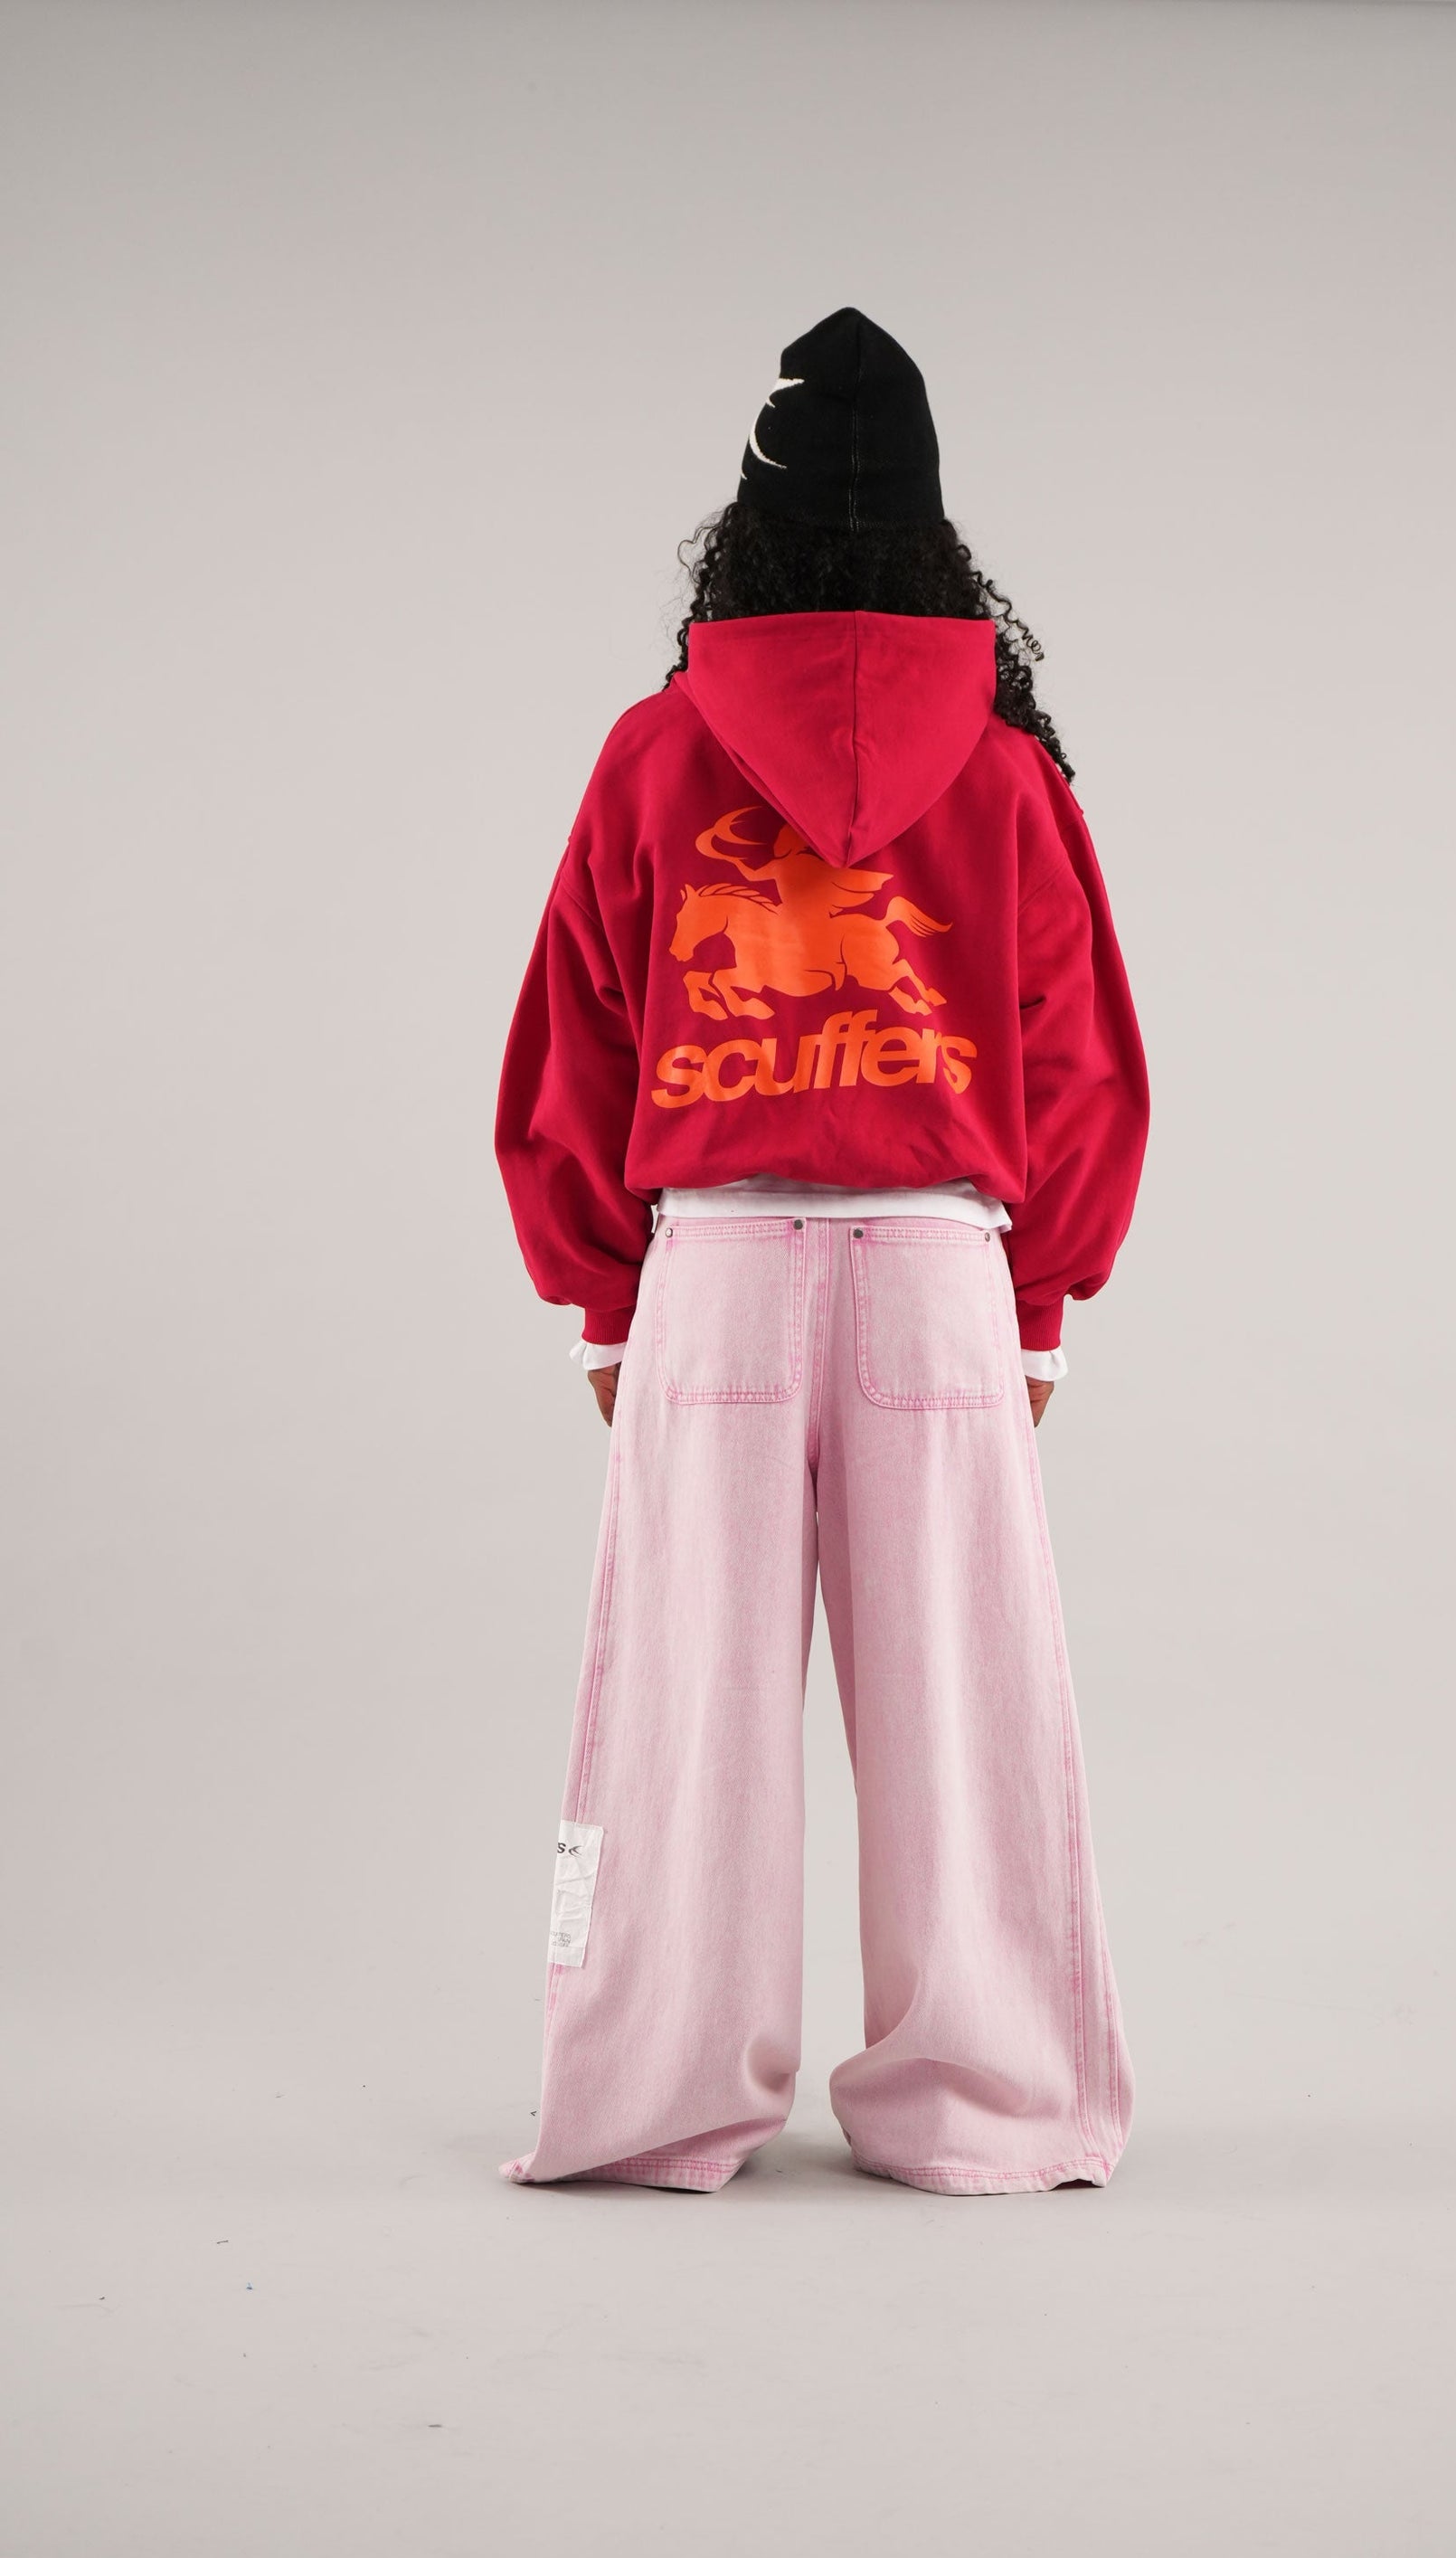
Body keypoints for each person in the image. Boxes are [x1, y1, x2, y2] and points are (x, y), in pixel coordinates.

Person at [495, 308, 1149, 2193]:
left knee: (676, 1712)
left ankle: (649, 2099)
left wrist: (599, 1297)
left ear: (746, 533)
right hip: (937, 1270)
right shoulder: (1007, 774)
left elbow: (578, 1031)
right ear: (939, 544)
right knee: (967, 1701)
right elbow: (1073, 1049)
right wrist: (1040, 1305)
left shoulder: (650, 754)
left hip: (711, 1266)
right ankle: (988, 2102)